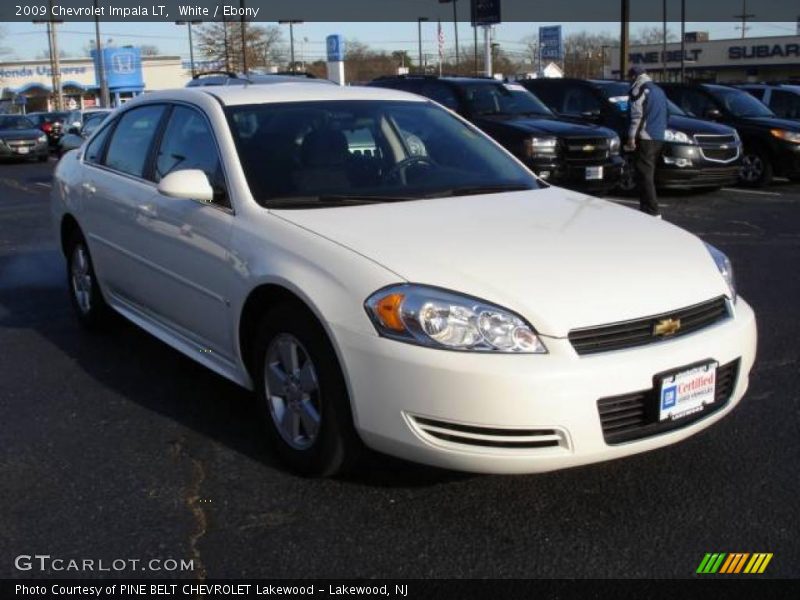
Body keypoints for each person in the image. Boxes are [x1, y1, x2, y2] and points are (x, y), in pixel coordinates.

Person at [624, 65, 668, 217]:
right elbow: (666, 114)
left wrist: (631, 137)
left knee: (644, 175)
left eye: (629, 77)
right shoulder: (659, 90)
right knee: (649, 174)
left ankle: (651, 210)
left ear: (634, 76)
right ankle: (646, 209)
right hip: (659, 136)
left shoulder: (638, 90)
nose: (628, 80)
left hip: (645, 137)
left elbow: (637, 116)